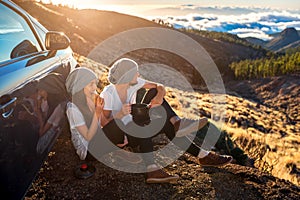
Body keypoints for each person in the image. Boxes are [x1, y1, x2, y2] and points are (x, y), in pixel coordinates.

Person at [100, 58, 233, 183]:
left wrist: (159, 95)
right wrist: (119, 114)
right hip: (121, 135)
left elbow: (159, 86)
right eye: (135, 72)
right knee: (143, 125)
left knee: (164, 118)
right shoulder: (108, 93)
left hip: (134, 125)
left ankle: (190, 139)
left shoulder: (134, 84)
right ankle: (152, 169)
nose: (138, 74)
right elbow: (104, 123)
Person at [65, 67, 142, 164]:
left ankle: (120, 148)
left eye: (95, 83)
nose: (94, 88)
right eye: (90, 84)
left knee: (120, 125)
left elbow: (103, 124)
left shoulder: (92, 98)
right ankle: (119, 149)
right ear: (80, 87)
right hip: (88, 150)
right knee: (117, 126)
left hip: (97, 137)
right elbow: (88, 136)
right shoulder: (72, 109)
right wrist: (97, 112)